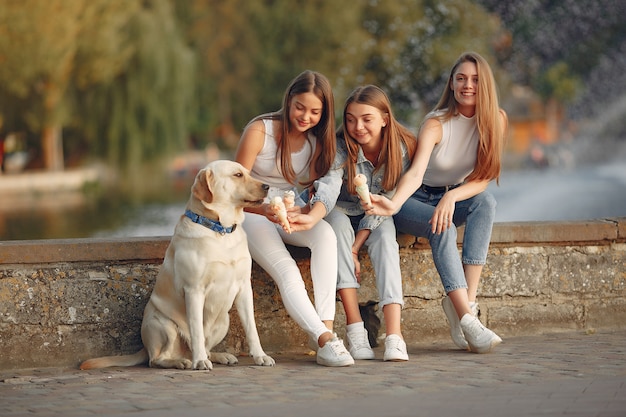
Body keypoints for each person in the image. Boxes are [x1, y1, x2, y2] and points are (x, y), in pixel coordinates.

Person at [366, 52, 507, 353]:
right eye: (461, 78)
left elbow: (484, 176)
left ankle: (465, 302)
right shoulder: (437, 122)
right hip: (413, 199)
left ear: (486, 85)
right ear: (452, 83)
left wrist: (453, 196)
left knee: (487, 203)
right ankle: (468, 320)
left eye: (475, 80)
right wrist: (392, 205)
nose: (467, 85)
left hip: (451, 196)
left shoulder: (497, 120)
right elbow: (415, 174)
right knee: (442, 228)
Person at [234, 70, 354, 367]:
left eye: (315, 111)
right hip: (251, 212)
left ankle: (325, 331)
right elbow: (233, 188)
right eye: (300, 107)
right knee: (287, 270)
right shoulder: (259, 131)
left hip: (285, 209)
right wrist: (263, 209)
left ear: (324, 113)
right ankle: (326, 339)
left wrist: (303, 210)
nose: (306, 116)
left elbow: (314, 190)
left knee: (325, 234)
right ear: (289, 100)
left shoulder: (315, 143)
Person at [290, 85, 417, 361]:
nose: (357, 127)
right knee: (336, 230)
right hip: (340, 207)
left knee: (386, 239)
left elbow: (387, 201)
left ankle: (395, 336)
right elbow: (330, 186)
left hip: (379, 211)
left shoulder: (402, 148)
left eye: (366, 119)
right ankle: (355, 328)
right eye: (350, 119)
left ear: (385, 118)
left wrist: (356, 247)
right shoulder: (339, 146)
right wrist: (314, 215)